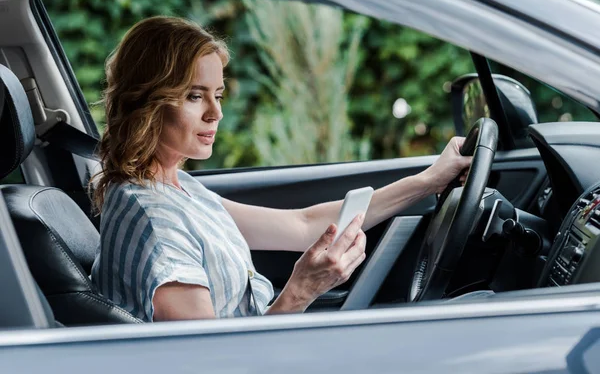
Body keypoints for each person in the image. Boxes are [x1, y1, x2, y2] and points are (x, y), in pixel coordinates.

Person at [90, 16, 472, 322]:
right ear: (148, 103)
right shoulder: (157, 224)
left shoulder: (173, 188)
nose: (216, 113)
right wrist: (301, 292)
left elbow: (302, 225)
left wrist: (428, 181)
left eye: (218, 95)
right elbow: (211, 363)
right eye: (194, 96)